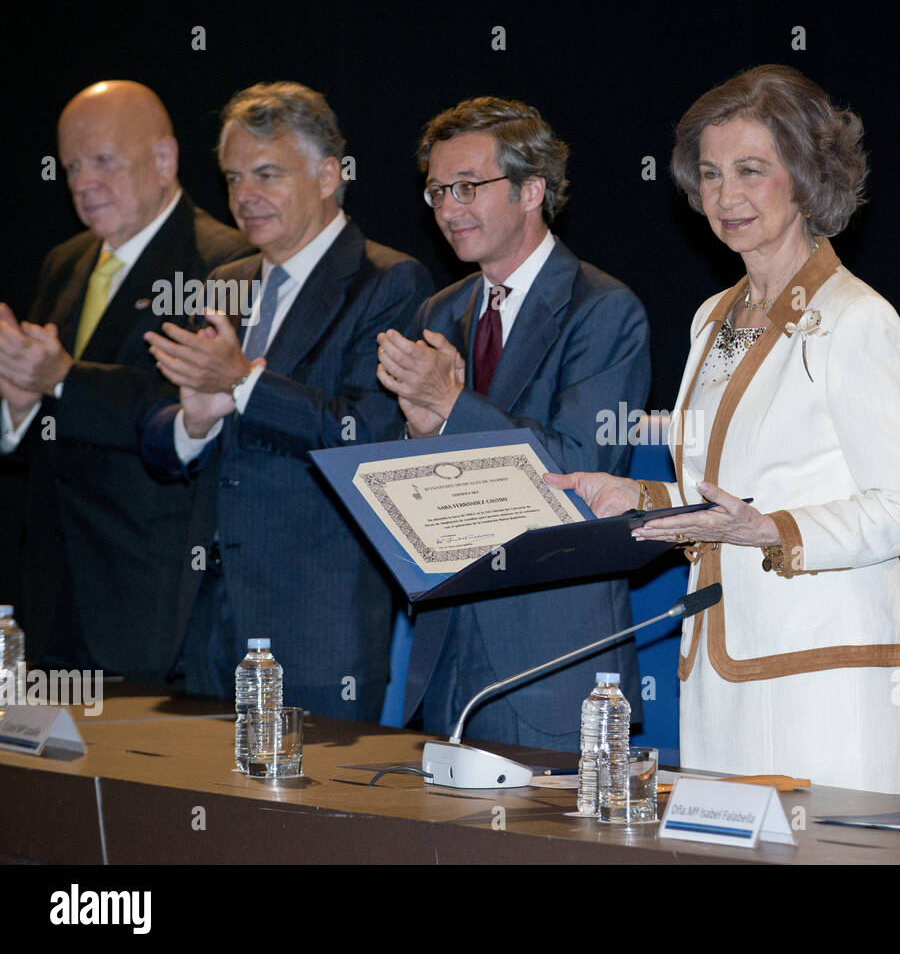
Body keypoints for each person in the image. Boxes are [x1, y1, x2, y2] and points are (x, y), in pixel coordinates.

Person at [549, 65, 900, 792]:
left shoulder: (857, 320)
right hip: (716, 661)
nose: (726, 197)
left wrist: (772, 531)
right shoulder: (712, 318)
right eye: (711, 174)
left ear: (806, 176)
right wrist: (637, 498)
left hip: (823, 674)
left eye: (751, 171)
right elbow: (723, 498)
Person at [139, 82, 432, 720]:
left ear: (328, 174)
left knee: (308, 818)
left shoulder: (389, 281)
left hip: (319, 625)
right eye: (234, 177)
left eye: (268, 173)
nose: (245, 196)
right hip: (210, 618)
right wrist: (193, 420)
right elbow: (161, 446)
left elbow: (364, 435)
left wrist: (243, 383)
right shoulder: (224, 285)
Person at [377, 97, 650, 751]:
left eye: (468, 187)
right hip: (447, 645)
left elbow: (579, 469)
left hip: (549, 655)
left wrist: (450, 405)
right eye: (437, 190)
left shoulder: (604, 311)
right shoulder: (442, 311)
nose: (447, 208)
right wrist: (417, 433)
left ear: (533, 190)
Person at [0, 80, 251, 682]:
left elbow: (188, 408)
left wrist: (62, 376)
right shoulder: (66, 260)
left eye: (104, 160)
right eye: (71, 166)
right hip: (55, 590)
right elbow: (44, 411)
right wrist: (16, 402)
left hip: (153, 590)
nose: (82, 182)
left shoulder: (225, 262)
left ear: (164, 160)